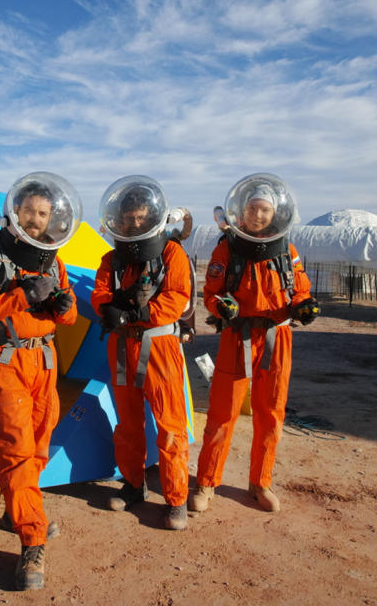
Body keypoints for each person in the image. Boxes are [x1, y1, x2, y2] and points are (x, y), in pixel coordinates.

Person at [0, 172, 81, 590]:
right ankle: (32, 540)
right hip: (7, 359)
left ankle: (18, 506)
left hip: (44, 360)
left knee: (39, 442)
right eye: (30, 211)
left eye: (43, 213)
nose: (36, 219)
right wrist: (23, 296)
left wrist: (64, 306)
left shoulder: (52, 257)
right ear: (17, 211)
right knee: (15, 448)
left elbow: (66, 317)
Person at [189, 173, 319, 514]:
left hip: (278, 338)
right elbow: (212, 293)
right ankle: (206, 481)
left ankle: (260, 482)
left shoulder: (286, 250)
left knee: (271, 415)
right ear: (241, 212)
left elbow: (299, 288)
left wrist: (304, 304)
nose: (258, 216)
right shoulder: (227, 249)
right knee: (221, 414)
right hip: (238, 337)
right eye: (252, 209)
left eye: (264, 210)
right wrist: (222, 306)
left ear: (274, 213)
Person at [90, 175, 193, 530]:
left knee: (169, 425)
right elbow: (100, 293)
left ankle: (176, 498)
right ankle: (134, 484)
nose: (133, 223)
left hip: (159, 345)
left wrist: (137, 313)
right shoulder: (111, 259)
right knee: (128, 423)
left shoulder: (171, 253)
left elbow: (177, 297)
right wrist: (110, 309)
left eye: (139, 217)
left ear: (151, 217)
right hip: (122, 345)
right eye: (128, 218)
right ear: (118, 220)